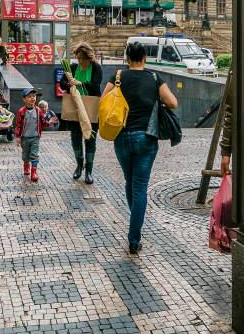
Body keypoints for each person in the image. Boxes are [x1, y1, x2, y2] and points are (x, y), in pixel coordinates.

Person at [102, 41, 178, 255]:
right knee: (140, 186)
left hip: (122, 137)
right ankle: (134, 238)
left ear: (127, 59)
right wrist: (155, 102)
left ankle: (135, 220)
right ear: (145, 58)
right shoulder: (154, 78)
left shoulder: (117, 77)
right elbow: (173, 102)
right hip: (146, 138)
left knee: (130, 181)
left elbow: (104, 101)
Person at [60, 42, 103, 183]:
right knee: (76, 138)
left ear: (88, 58)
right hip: (75, 107)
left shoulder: (96, 68)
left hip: (91, 108)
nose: (79, 61)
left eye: (82, 58)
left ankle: (89, 171)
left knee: (90, 138)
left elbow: (96, 87)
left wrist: (81, 84)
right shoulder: (72, 68)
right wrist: (69, 84)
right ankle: (79, 165)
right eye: (78, 58)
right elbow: (62, 84)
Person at [14, 88, 54, 182]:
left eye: (34, 96)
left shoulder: (38, 111)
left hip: (35, 137)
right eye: (29, 96)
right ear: (24, 99)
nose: (32, 98)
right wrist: (18, 136)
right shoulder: (21, 111)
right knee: (25, 154)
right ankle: (26, 166)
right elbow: (18, 125)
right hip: (25, 137)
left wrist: (49, 122)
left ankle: (34, 172)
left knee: (34, 154)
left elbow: (43, 122)